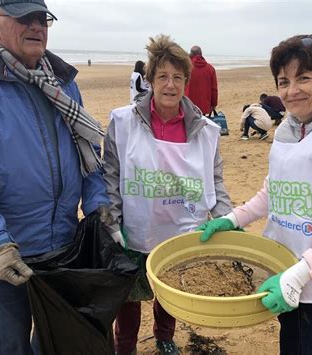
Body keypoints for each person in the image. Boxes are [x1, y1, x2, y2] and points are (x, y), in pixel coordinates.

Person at [196, 34, 312, 354]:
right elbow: (274, 192)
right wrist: (231, 219)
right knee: (291, 344)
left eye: (304, 78)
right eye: (283, 81)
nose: (291, 90)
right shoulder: (288, 129)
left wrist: (300, 275)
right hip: (286, 262)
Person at [0, 0, 111, 353]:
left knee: (56, 338)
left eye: (43, 18)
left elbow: (89, 154)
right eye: (25, 18)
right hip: (7, 250)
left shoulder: (63, 81)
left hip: (65, 242)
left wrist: (99, 207)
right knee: (11, 343)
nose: (37, 26)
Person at [103, 34, 232, 355]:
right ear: (150, 81)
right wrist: (112, 220)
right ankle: (125, 347)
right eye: (162, 76)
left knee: (170, 292)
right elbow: (111, 174)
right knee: (128, 299)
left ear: (186, 82)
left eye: (177, 77)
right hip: (134, 232)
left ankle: (164, 337)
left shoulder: (204, 130)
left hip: (179, 232)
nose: (170, 85)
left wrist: (227, 219)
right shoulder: (123, 123)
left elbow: (215, 181)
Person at [185, 45, 218, 115]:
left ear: (191, 54)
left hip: (188, 105)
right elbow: (214, 89)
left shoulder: (186, 68)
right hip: (204, 106)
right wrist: (214, 104)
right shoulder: (210, 68)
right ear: (201, 54)